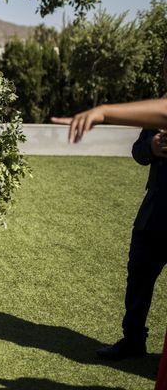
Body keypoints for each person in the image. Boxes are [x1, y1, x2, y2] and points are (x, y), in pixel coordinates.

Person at [53, 99, 167, 389]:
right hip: (154, 212)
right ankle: (132, 340)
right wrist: (152, 148)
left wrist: (102, 112)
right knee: (138, 274)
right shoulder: (155, 109)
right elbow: (138, 152)